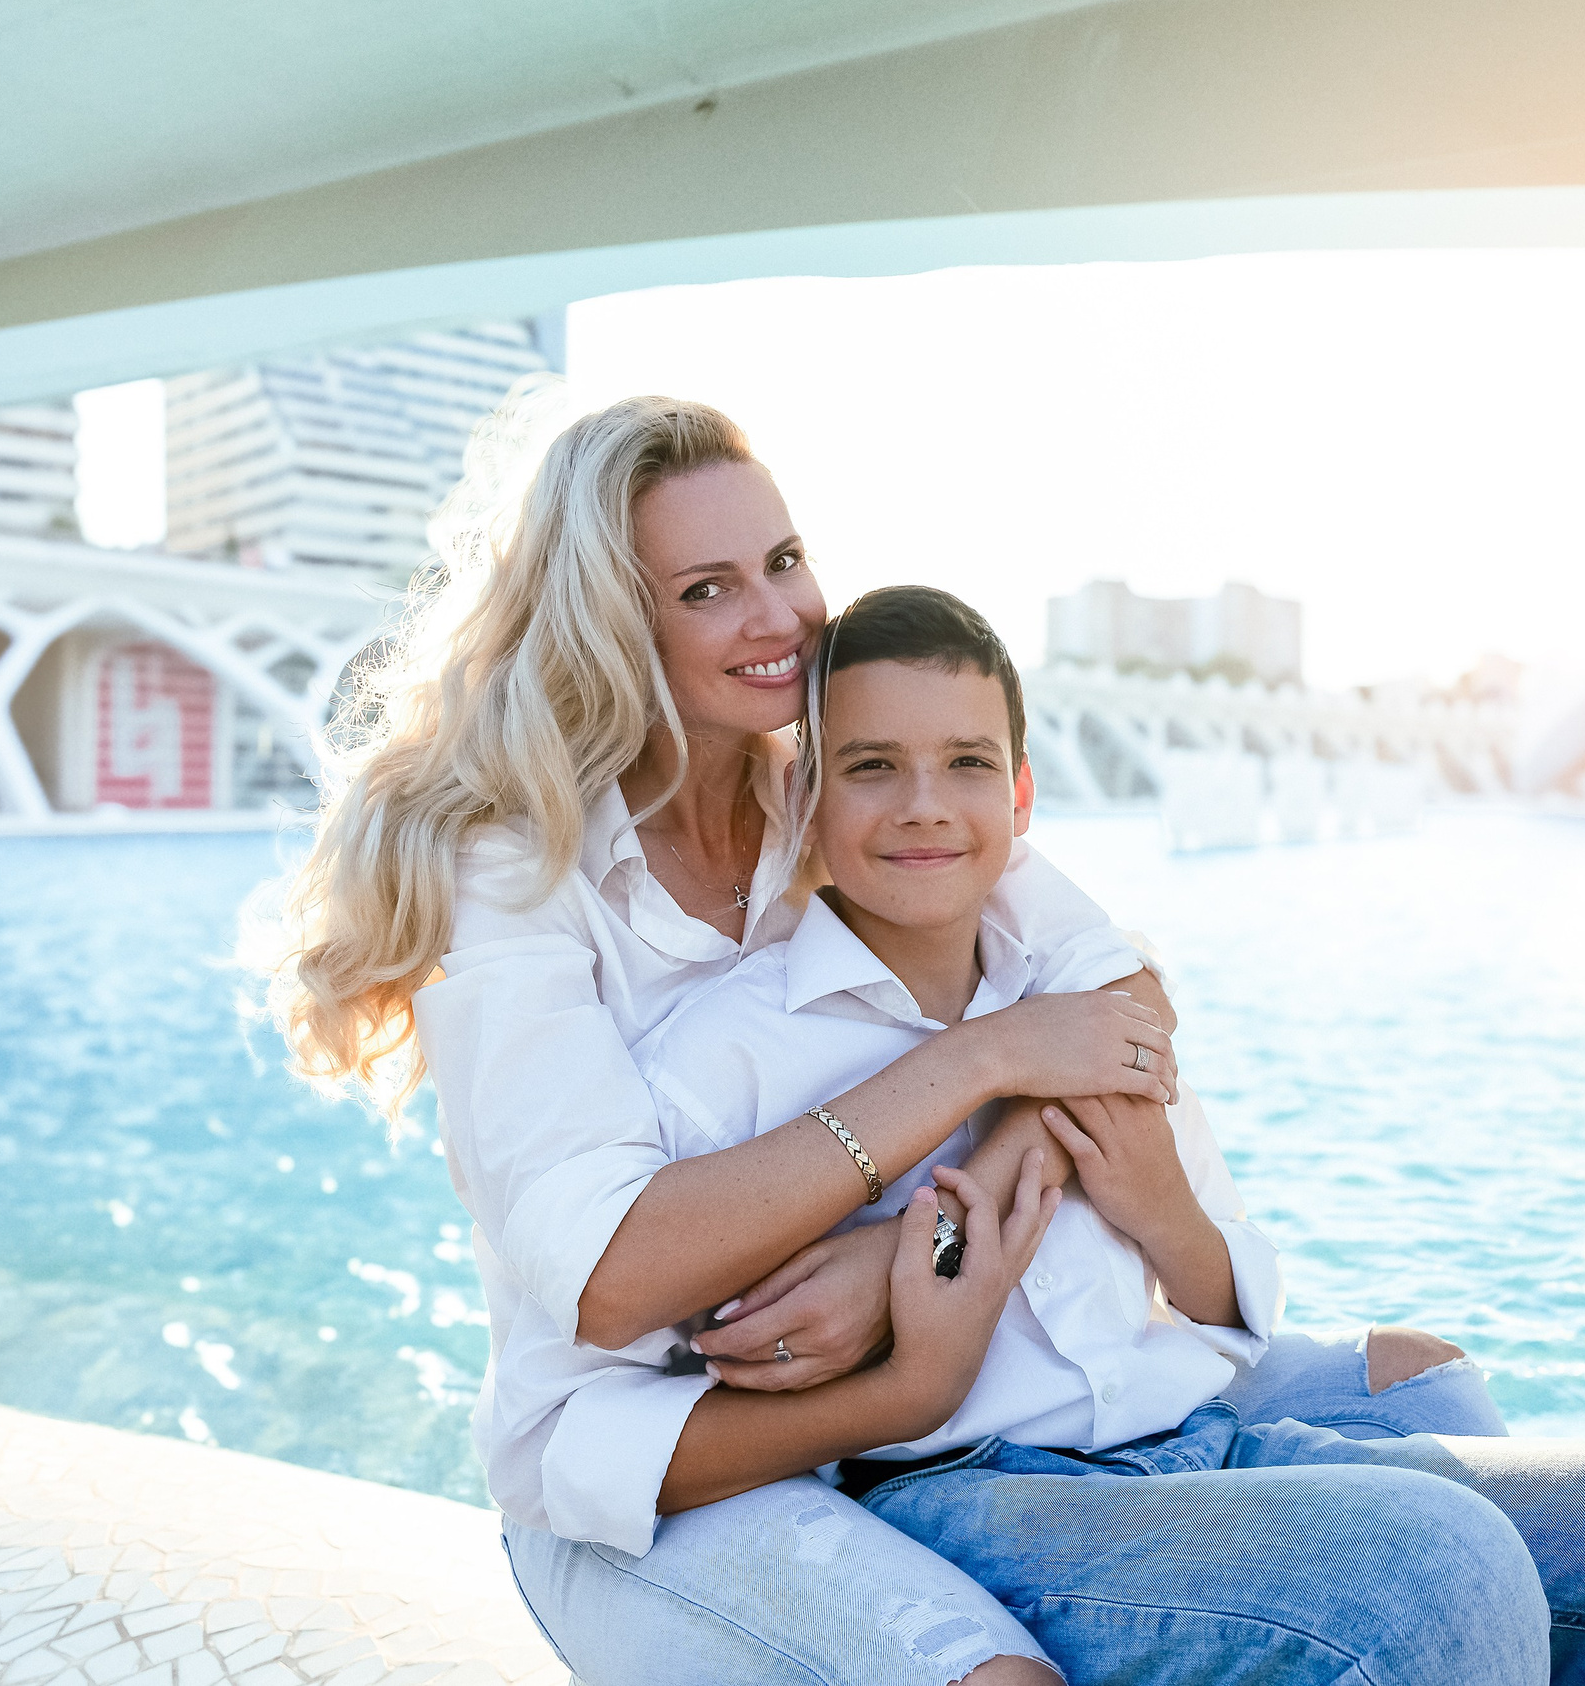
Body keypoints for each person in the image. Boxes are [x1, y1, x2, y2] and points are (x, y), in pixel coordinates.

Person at [264, 393, 1487, 1685]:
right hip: (655, 1447)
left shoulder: (840, 780)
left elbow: (1119, 1005)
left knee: (1438, 1396)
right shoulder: (516, 868)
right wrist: (975, 1061)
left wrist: (917, 1243)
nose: (780, 615)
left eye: (785, 561)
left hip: (938, 1361)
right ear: (619, 623)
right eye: (709, 587)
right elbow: (613, 1274)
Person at [606, 583, 1585, 1686]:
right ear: (808, 800)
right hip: (970, 1496)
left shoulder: (1092, 1002)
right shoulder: (731, 1059)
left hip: (1202, 1442)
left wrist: (1158, 1200)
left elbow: (1226, 1309)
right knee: (1428, 1565)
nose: (925, 805)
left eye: (968, 763)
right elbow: (663, 1389)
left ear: (1024, 791)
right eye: (873, 766)